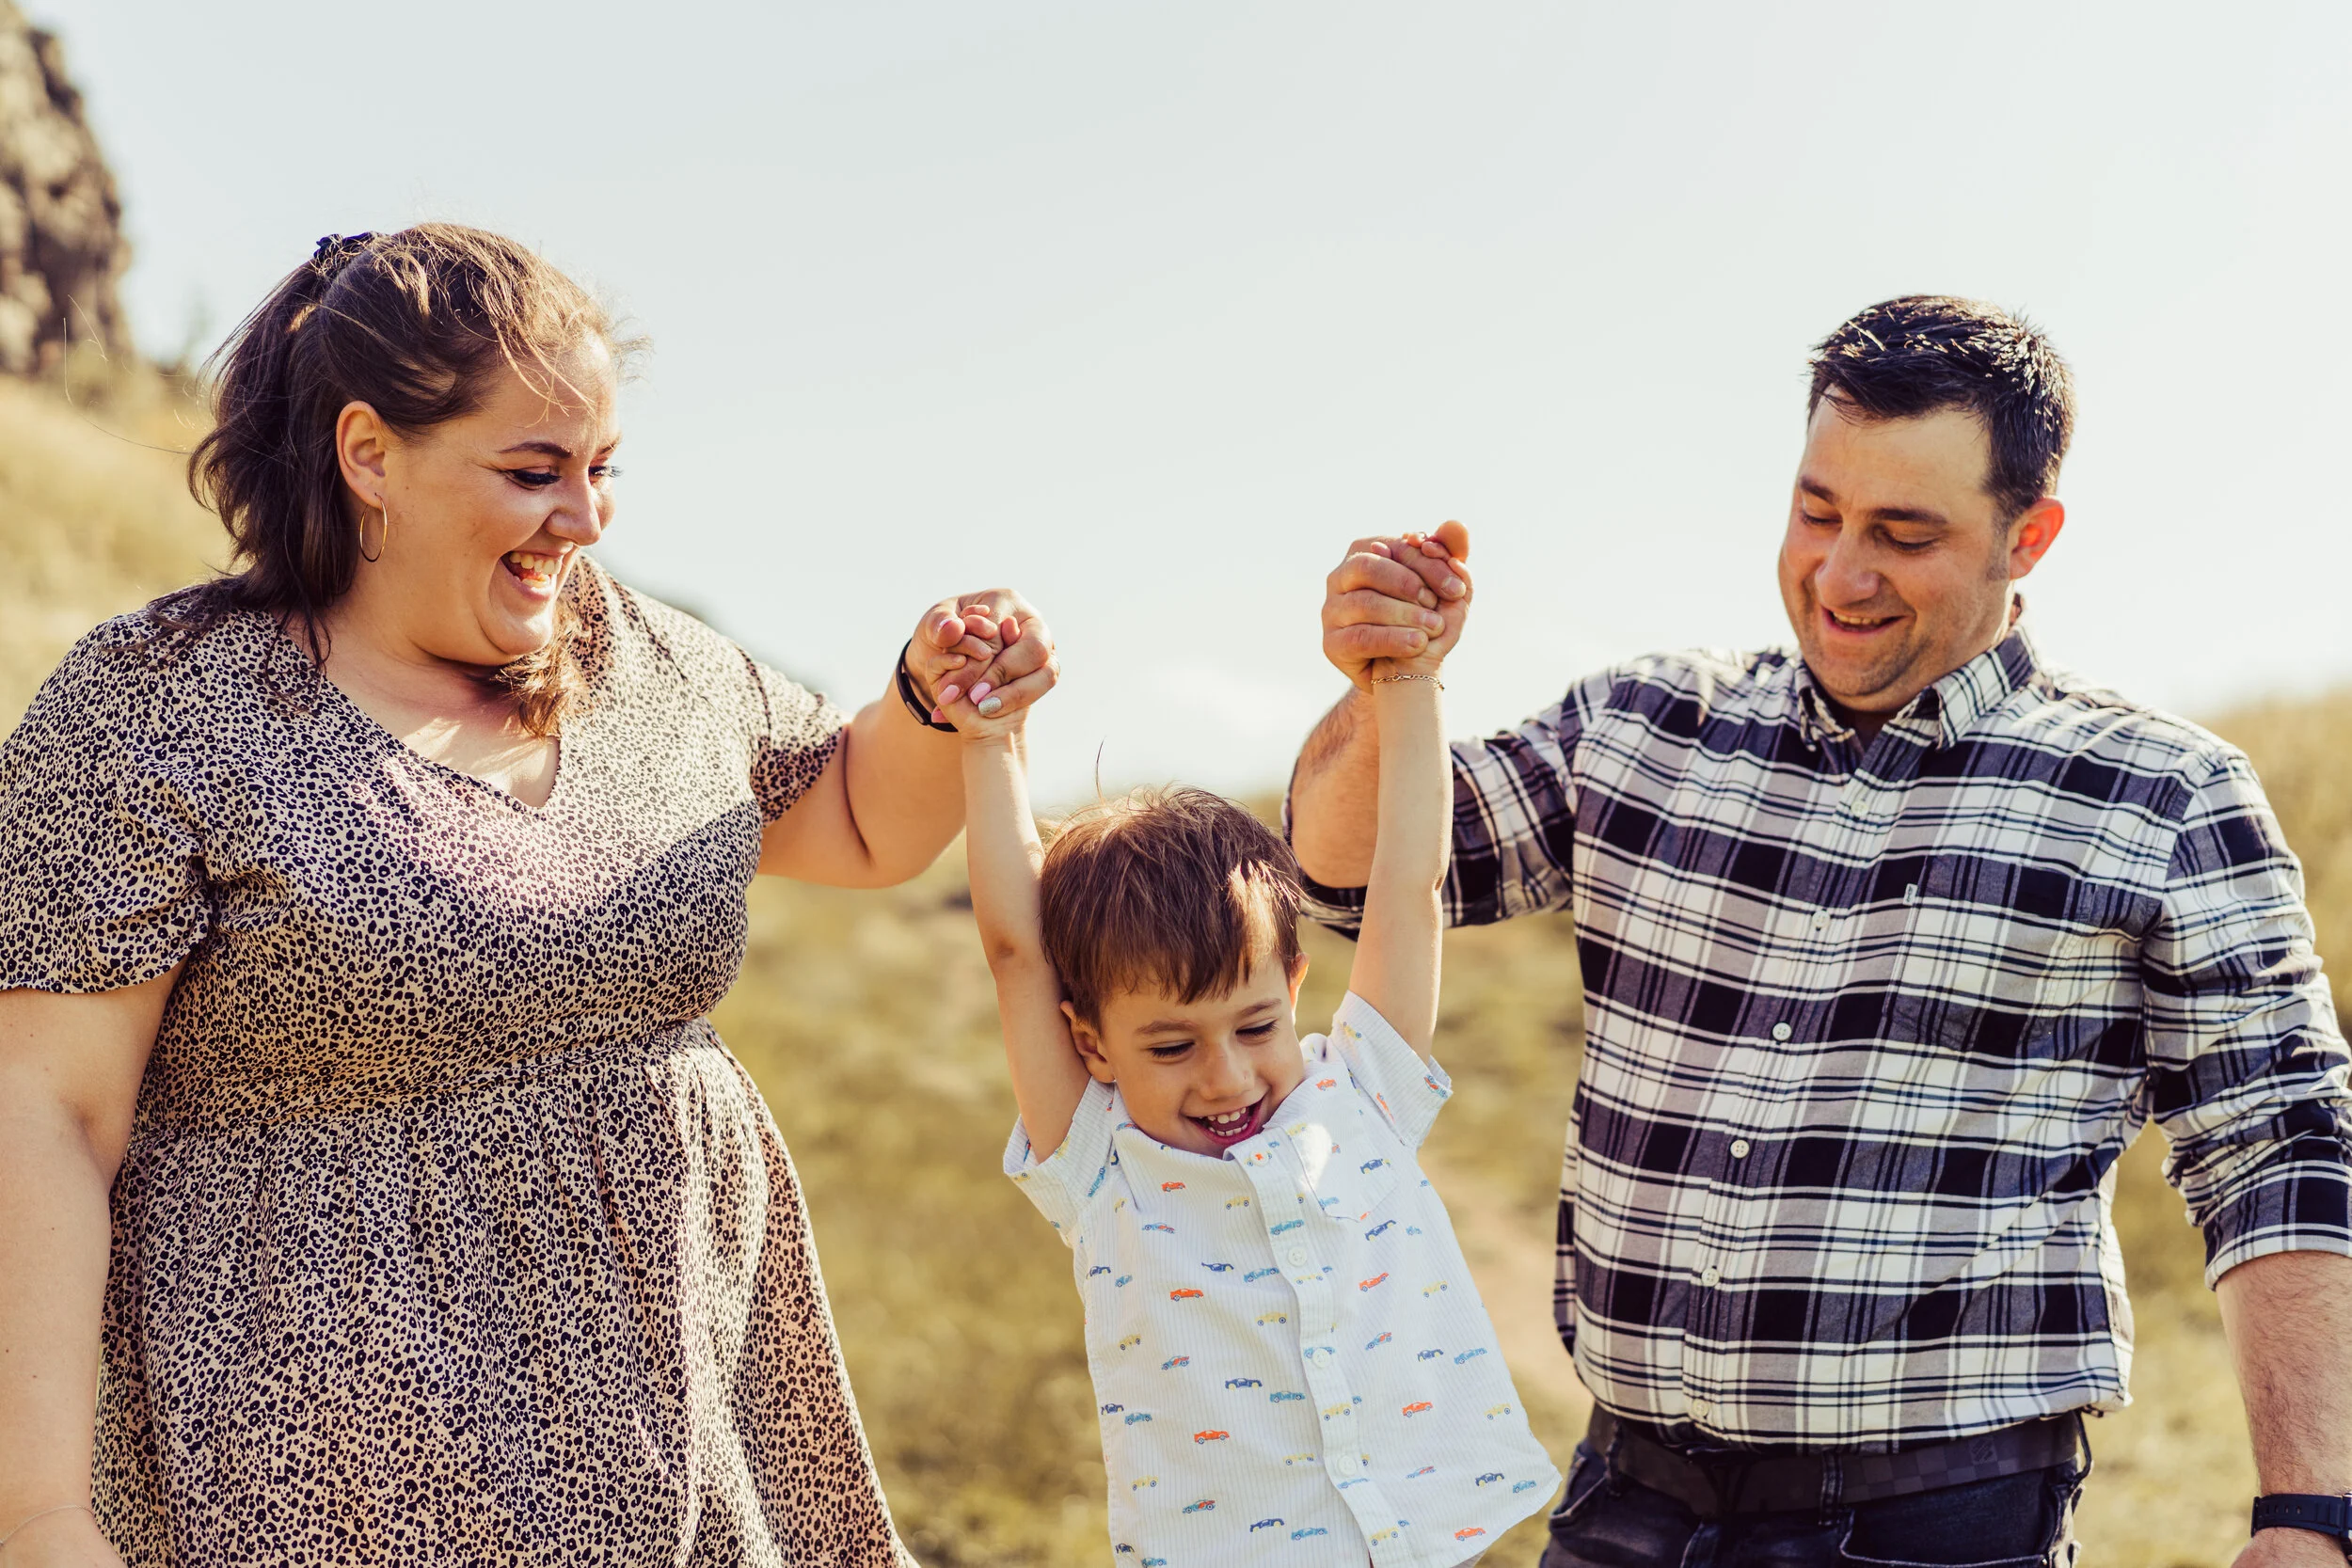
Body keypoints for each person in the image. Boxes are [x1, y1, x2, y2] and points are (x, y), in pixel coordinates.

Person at [0, 224, 1059, 1567]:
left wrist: (926, 699)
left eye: (603, 466)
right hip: (331, 1476)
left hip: (694, 1425)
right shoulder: (156, 708)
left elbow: (853, 817)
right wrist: (36, 1513)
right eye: (534, 468)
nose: (589, 514)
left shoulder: (636, 654)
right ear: (369, 453)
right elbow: (46, 1116)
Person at [1288, 298, 2352, 1567]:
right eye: (1817, 512)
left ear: (2032, 536)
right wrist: (1383, 684)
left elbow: (2278, 1150)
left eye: (1904, 533)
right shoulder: (1642, 723)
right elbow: (1347, 875)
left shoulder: (2163, 794)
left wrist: (2310, 1510)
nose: (1842, 573)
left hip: (1939, 1524)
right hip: (1626, 1492)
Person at [949, 539, 1560, 1566]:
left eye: (1253, 1025)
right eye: (1170, 1043)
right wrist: (991, 737)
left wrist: (1405, 680)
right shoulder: (1100, 1164)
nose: (1226, 1075)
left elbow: (1409, 880)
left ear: (1293, 991)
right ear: (1090, 1044)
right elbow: (1016, 954)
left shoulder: (1361, 1088)